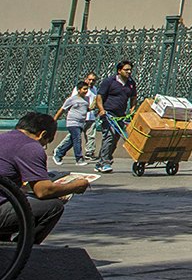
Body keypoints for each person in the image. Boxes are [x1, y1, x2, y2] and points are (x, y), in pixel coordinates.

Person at [0, 113, 91, 244]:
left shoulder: (4, 138)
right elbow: (43, 191)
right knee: (53, 207)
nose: (43, 147)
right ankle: (20, 250)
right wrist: (76, 186)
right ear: (42, 134)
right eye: (45, 143)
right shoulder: (30, 147)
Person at [93, 60, 138, 174]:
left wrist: (132, 109)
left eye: (130, 70)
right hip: (108, 113)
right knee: (110, 135)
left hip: (121, 115)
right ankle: (105, 162)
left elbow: (133, 97)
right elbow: (99, 97)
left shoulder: (131, 83)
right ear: (119, 71)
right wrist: (102, 110)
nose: (129, 72)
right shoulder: (109, 82)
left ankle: (101, 162)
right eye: (126, 69)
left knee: (116, 138)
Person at [53, 80, 92, 165]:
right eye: (84, 89)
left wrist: (92, 109)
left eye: (87, 89)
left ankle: (59, 153)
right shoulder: (71, 99)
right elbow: (62, 109)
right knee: (77, 139)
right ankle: (79, 159)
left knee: (72, 141)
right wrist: (55, 119)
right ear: (79, 90)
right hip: (72, 122)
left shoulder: (86, 99)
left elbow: (85, 109)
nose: (86, 91)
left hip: (81, 123)